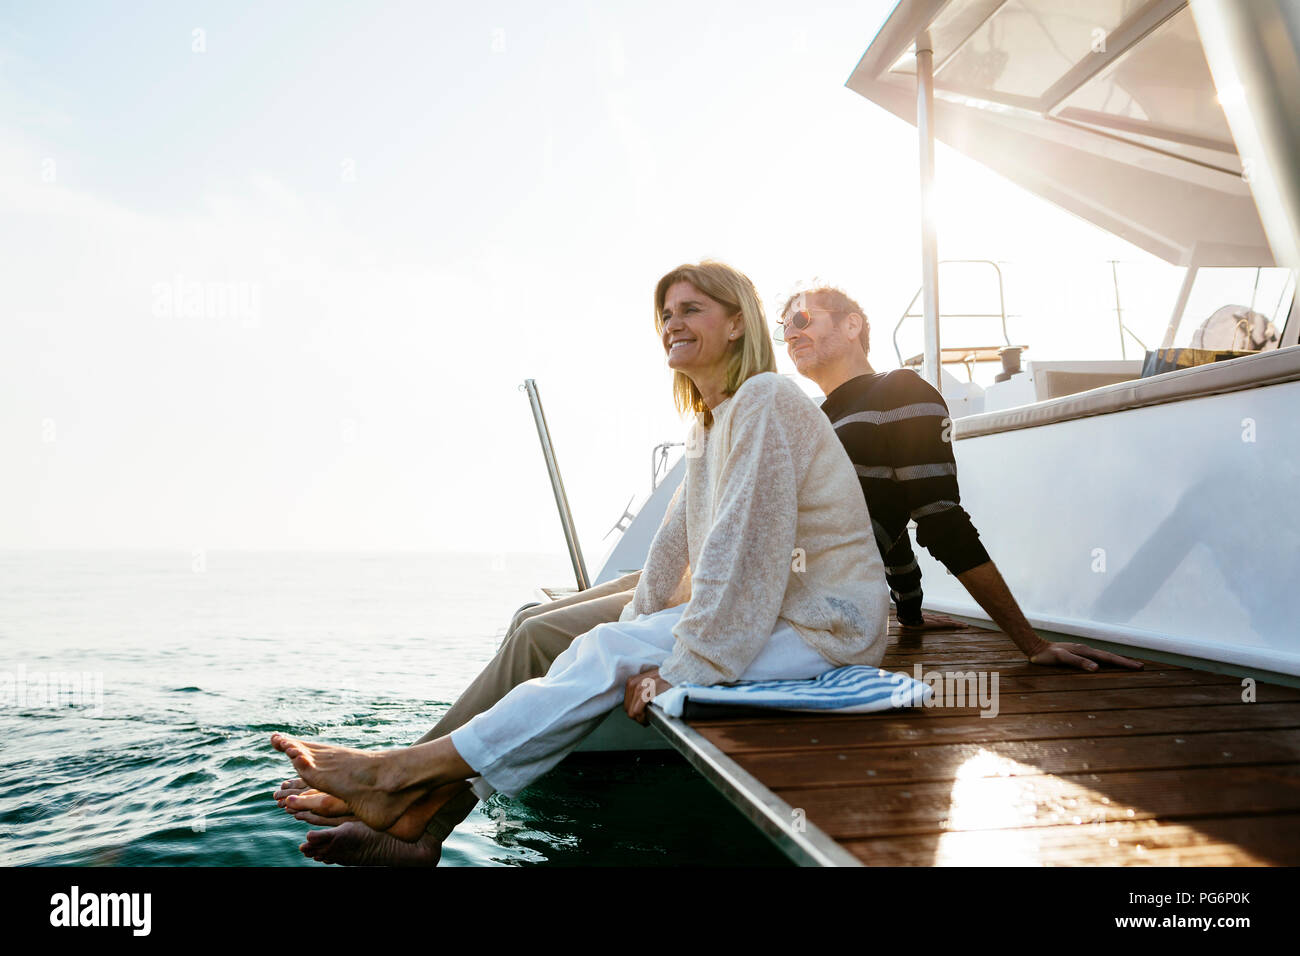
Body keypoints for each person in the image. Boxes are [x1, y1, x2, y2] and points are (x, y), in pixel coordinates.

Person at [270, 260, 890, 858]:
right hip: (774, 614)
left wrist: (688, 669)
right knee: (599, 648)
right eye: (666, 314)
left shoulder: (767, 398)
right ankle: (420, 814)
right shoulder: (711, 423)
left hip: (826, 625)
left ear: (736, 324)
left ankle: (395, 777)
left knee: (604, 652)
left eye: (691, 309)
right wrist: (636, 636)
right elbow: (672, 550)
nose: (672, 323)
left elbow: (746, 556)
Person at [777, 285, 1142, 671]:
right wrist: (910, 610)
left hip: (801, 616)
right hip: (781, 600)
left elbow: (938, 517)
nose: (790, 334)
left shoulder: (899, 391)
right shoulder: (819, 419)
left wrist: (1032, 643)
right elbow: (878, 513)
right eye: (783, 328)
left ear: (852, 325)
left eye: (802, 319)